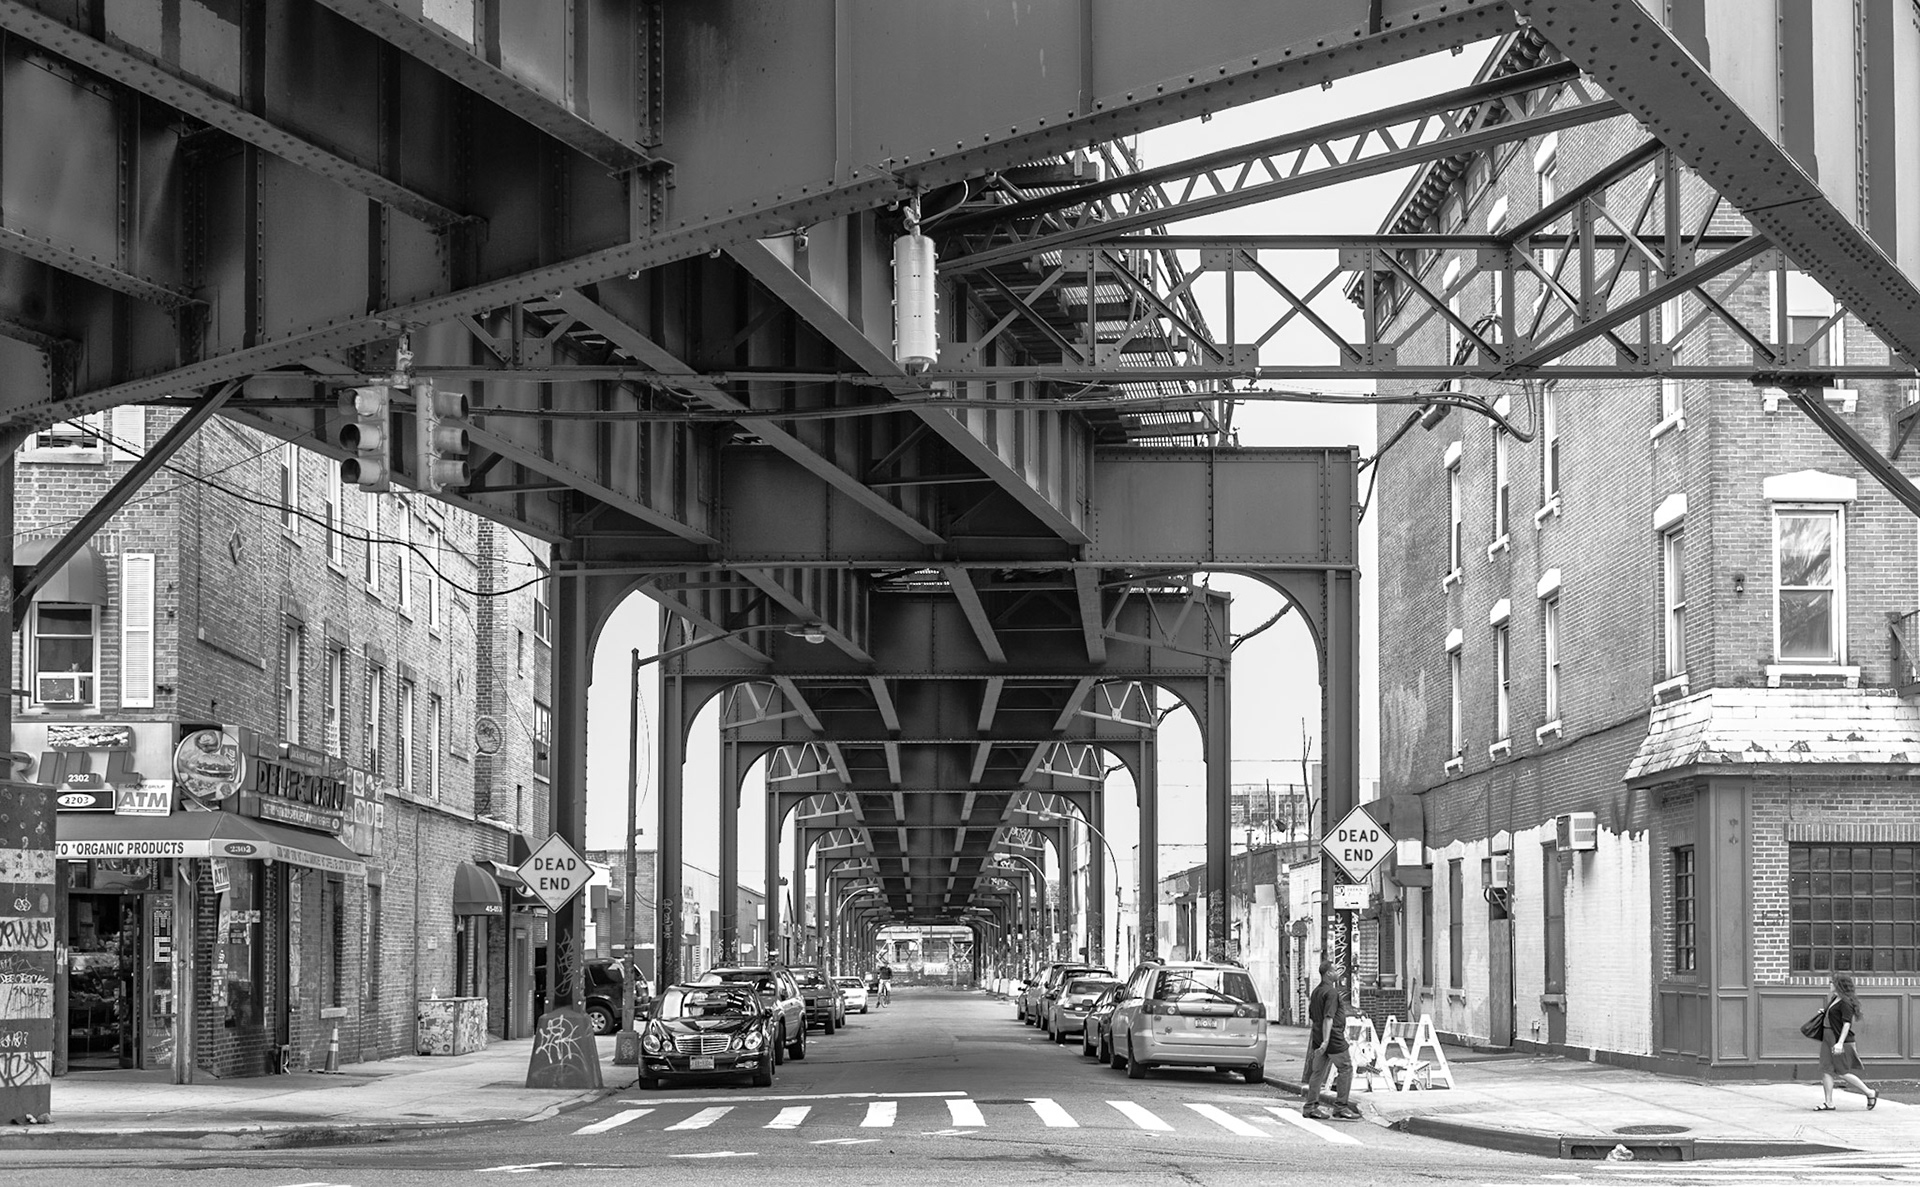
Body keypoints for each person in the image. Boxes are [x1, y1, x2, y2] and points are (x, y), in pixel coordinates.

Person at [1303, 960, 1360, 1121]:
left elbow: (1313, 1016)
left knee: (1318, 1072)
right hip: (1332, 1038)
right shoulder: (1332, 993)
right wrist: (1326, 1042)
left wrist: (1320, 1040)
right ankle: (1341, 1107)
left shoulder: (1316, 992)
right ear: (1328, 973)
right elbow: (1329, 1017)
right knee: (1346, 1068)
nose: (1337, 973)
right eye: (1335, 970)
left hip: (1318, 1036)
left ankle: (1310, 1107)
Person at [1815, 972, 1878, 1111]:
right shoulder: (1835, 999)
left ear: (1839, 985)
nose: (1830, 984)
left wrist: (1840, 1043)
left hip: (1838, 1039)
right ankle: (1829, 1102)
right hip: (1828, 1037)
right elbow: (1834, 1017)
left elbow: (1847, 1024)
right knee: (1826, 1070)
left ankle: (1869, 1092)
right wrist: (1825, 1013)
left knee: (1842, 1071)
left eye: (1832, 982)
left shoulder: (1845, 1002)